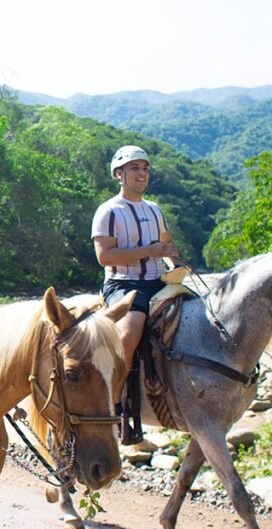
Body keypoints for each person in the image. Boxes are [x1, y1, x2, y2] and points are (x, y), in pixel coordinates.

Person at [91, 145, 179, 442]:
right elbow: (105, 257)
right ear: (119, 174)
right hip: (124, 284)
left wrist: (177, 263)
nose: (141, 174)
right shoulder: (108, 211)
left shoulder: (154, 209)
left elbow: (168, 246)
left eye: (144, 168)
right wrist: (148, 251)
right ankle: (114, 403)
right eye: (134, 168)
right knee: (129, 333)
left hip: (158, 280)